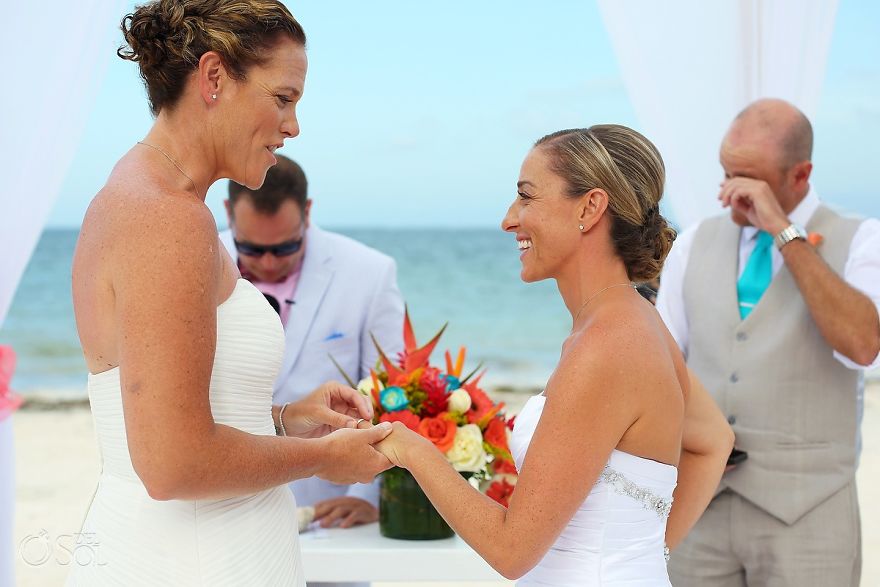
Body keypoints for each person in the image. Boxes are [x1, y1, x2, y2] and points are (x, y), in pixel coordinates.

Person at [68, 2, 393, 585]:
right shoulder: (167, 219)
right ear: (214, 78)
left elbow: (158, 414)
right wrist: (324, 458)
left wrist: (284, 419)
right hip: (197, 557)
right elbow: (172, 464)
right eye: (283, 98)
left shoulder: (143, 198)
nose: (293, 127)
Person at [371, 125, 734, 586]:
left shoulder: (606, 343)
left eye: (526, 197)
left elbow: (512, 550)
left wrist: (409, 447)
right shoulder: (638, 321)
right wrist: (640, 556)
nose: (508, 219)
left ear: (590, 207)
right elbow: (712, 441)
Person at [656, 98, 880, 586]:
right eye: (726, 172)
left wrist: (782, 229)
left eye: (748, 179)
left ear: (800, 175)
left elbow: (862, 345)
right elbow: (663, 365)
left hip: (810, 519)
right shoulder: (694, 242)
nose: (730, 192)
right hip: (701, 510)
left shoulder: (862, 240)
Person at [220, 156, 404, 584]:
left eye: (284, 247)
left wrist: (368, 495)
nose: (267, 262)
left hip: (330, 515)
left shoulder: (370, 273)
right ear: (229, 215)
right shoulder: (191, 264)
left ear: (307, 212)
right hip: (223, 507)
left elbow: (392, 392)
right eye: (250, 248)